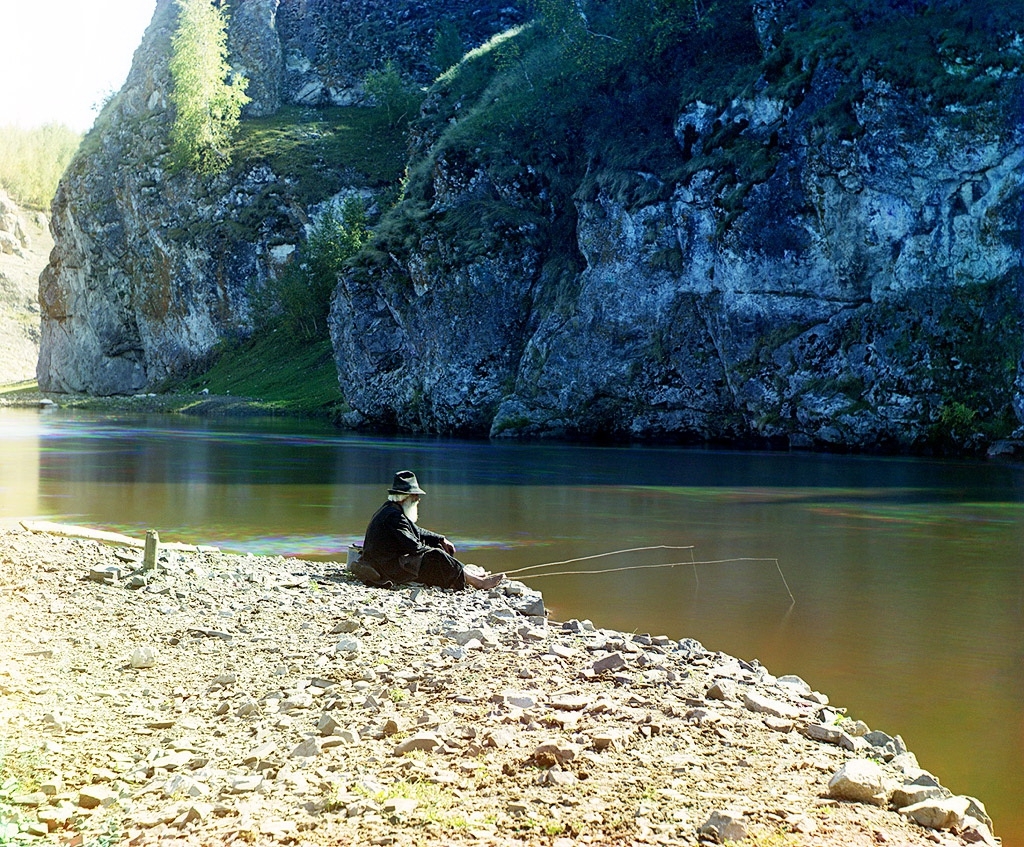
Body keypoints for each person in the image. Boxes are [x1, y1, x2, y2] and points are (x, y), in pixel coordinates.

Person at [359, 470, 504, 590]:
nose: (418, 499)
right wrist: (437, 551)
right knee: (436, 554)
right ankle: (477, 582)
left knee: (437, 545)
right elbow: (414, 547)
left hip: (386, 561)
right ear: (405, 497)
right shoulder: (393, 517)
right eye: (415, 496)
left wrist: (440, 538)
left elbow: (415, 530)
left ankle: (466, 575)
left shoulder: (391, 509)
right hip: (386, 567)